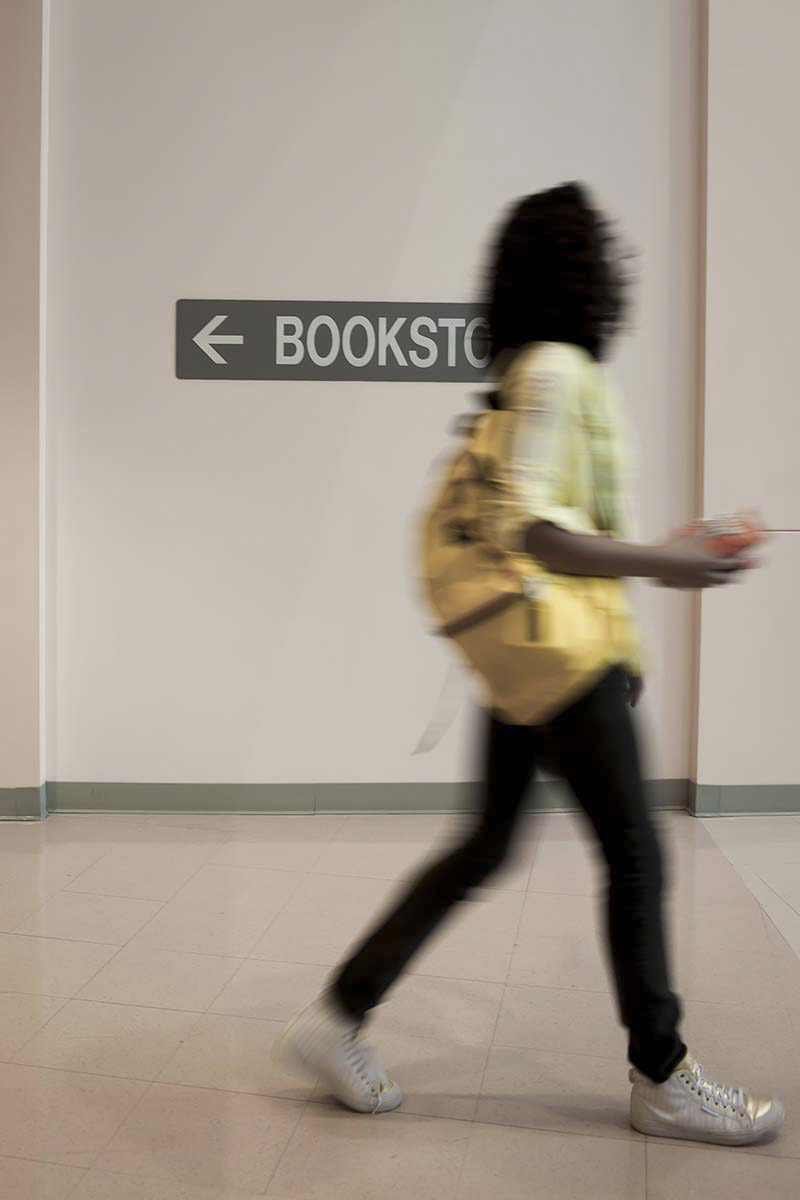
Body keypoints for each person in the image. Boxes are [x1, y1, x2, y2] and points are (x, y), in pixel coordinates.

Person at [276, 182, 784, 1146]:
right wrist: (663, 566)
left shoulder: (523, 371)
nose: (616, 262)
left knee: (485, 845)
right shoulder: (555, 369)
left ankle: (337, 1017)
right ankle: (664, 1076)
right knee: (634, 856)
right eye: (603, 246)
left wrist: (647, 584)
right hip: (560, 663)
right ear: (581, 269)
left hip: (531, 654)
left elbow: (559, 528)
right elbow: (531, 531)